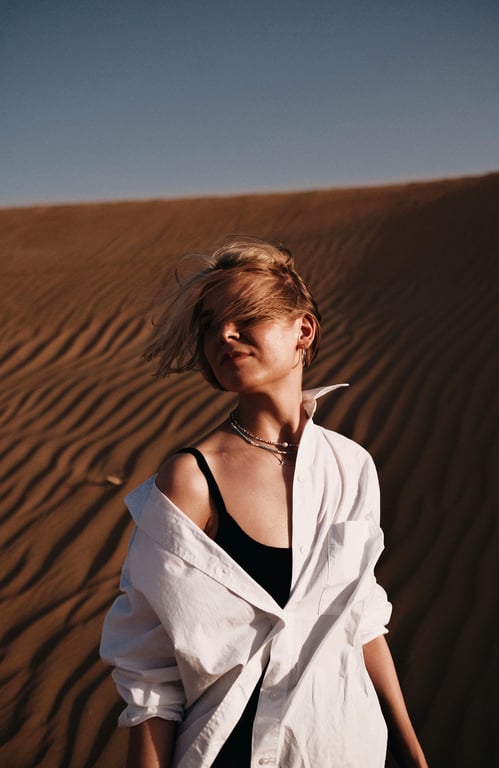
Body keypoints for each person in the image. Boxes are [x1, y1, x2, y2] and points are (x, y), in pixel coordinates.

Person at [100, 238, 428, 768]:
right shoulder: (191, 478)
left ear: (304, 330)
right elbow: (150, 670)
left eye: (246, 316)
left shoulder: (350, 466)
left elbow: (362, 620)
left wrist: (412, 753)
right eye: (210, 324)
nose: (224, 334)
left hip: (348, 749)